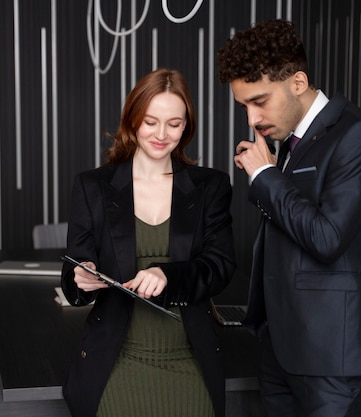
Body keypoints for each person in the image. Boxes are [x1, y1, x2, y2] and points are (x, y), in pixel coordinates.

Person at [217, 19, 361, 417]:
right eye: (244, 105)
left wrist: (264, 177)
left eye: (259, 101)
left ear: (298, 82)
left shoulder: (359, 136)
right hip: (281, 349)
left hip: (332, 356)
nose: (251, 118)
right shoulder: (291, 141)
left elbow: (327, 237)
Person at [61, 68, 236, 417]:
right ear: (132, 120)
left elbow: (219, 266)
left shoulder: (211, 186)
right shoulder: (93, 186)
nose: (161, 134)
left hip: (190, 360)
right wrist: (83, 278)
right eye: (150, 121)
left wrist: (168, 275)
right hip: (117, 360)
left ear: (186, 126)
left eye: (174, 123)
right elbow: (72, 276)